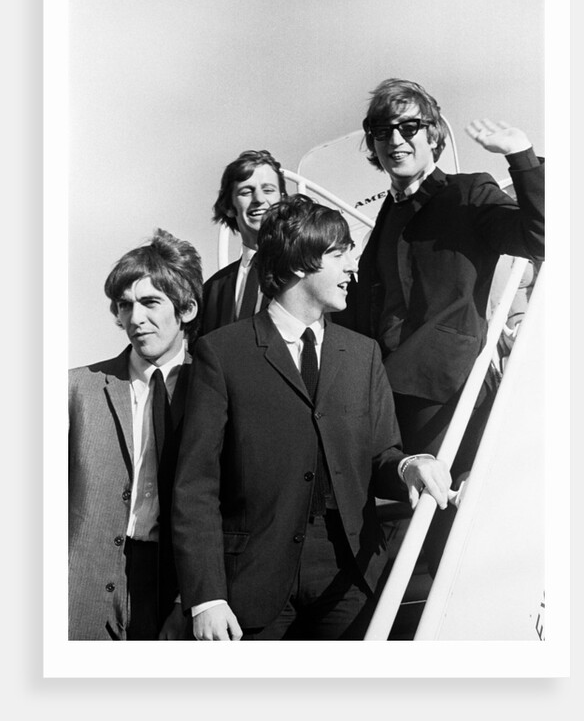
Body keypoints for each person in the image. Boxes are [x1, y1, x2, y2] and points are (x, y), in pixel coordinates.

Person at [172, 195, 452, 641]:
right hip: (251, 582)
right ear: (301, 262)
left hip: (350, 578)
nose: (352, 268)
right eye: (339, 254)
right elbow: (196, 485)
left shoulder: (363, 355)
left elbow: (381, 455)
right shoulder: (221, 353)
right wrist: (206, 597)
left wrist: (409, 465)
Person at [335, 78, 545, 572]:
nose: (395, 140)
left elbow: (541, 235)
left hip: (447, 390)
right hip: (387, 392)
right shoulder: (384, 216)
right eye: (382, 131)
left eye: (409, 127)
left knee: (447, 533)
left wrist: (521, 157)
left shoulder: (467, 192)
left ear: (433, 135)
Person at [68, 228, 204, 640]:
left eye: (150, 302)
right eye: (125, 305)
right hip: (81, 586)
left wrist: (190, 599)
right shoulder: (76, 389)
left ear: (187, 308)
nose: (135, 318)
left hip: (174, 585)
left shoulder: (214, 391)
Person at [200, 149, 287, 334]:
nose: (259, 199)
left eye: (268, 190)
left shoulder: (313, 271)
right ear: (229, 207)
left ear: (283, 199)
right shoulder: (211, 291)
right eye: (246, 192)